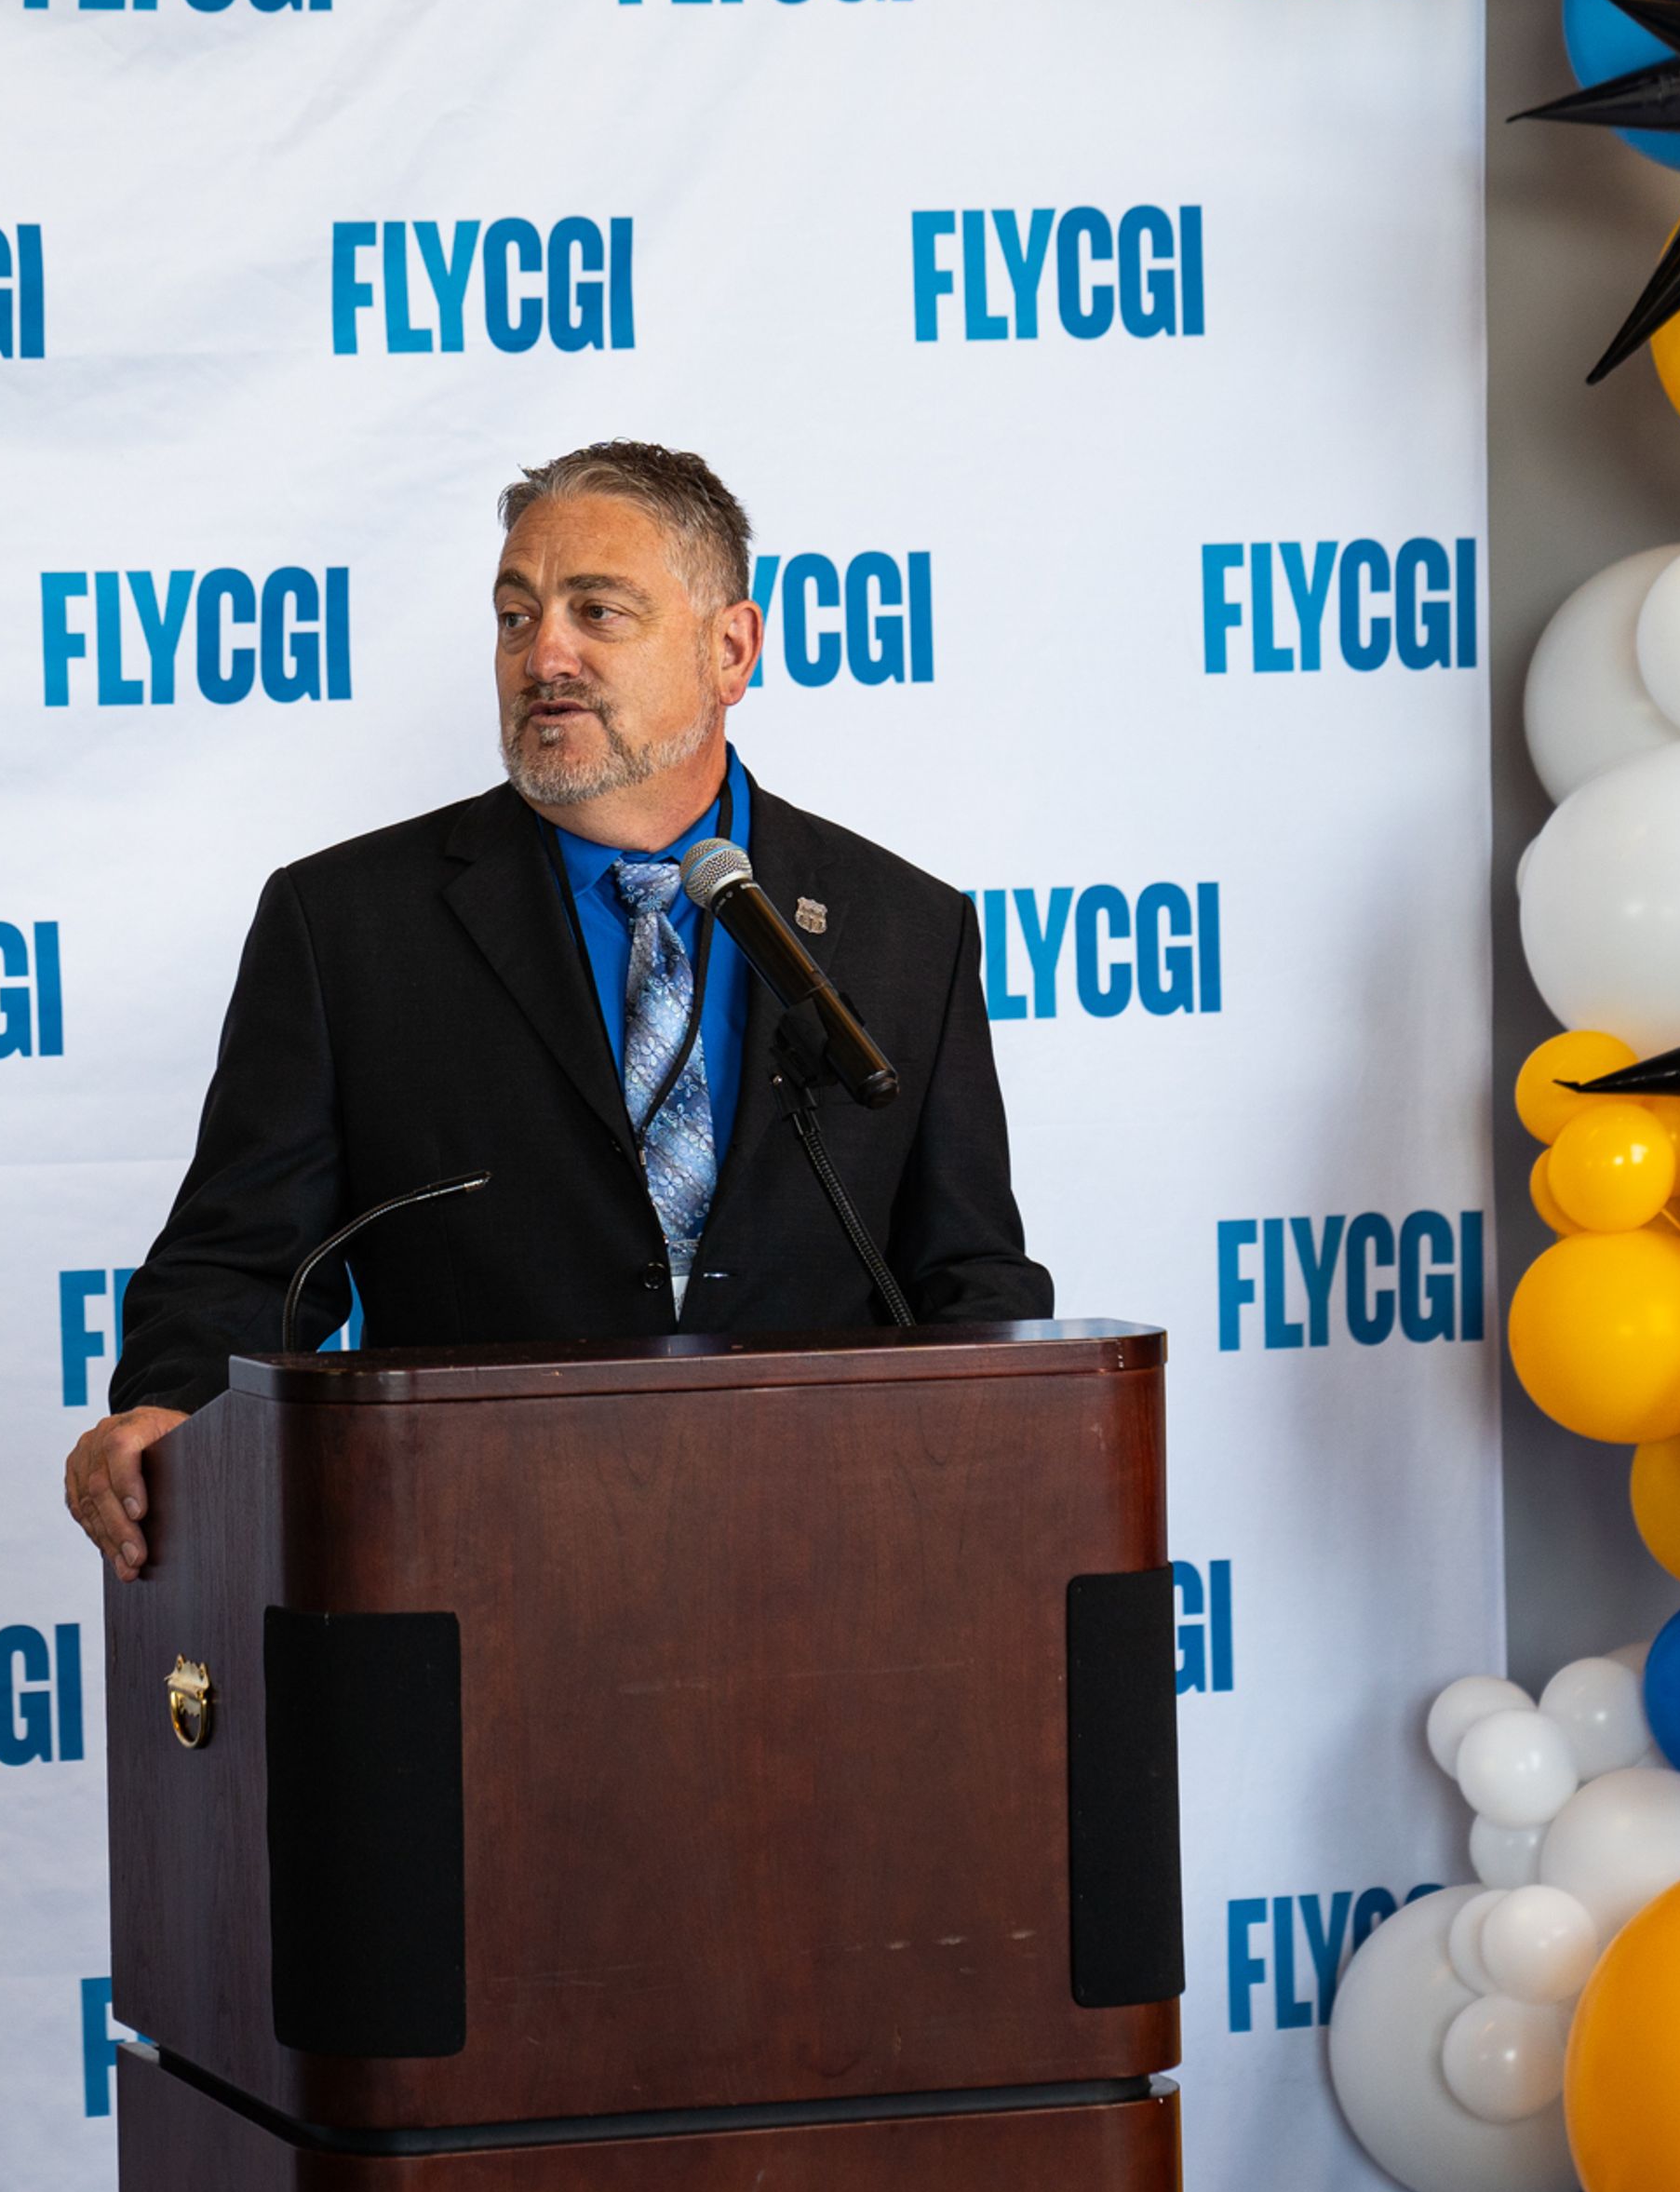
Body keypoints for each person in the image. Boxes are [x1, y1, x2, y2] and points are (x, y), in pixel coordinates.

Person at [60, 441, 1050, 1578]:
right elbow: (240, 1267)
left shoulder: (903, 930)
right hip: (472, 1562)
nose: (546, 656)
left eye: (598, 612)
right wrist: (172, 1412)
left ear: (730, 649)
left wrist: (1000, 1468)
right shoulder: (346, 928)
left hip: (829, 1562)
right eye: (516, 615)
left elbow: (971, 1277)